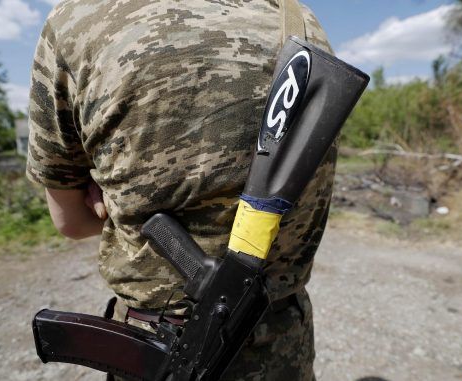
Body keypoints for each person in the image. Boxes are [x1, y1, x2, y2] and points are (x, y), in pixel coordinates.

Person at [26, 0, 336, 379]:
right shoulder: (298, 19)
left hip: (161, 340)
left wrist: (114, 199)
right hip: (283, 342)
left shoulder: (76, 19)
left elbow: (70, 221)